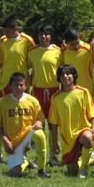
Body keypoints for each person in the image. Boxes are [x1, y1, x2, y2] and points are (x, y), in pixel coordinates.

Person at [0, 15, 35, 163]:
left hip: (21, 85)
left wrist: (31, 79)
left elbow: (34, 61)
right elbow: (0, 61)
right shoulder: (3, 41)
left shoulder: (27, 41)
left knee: (22, 119)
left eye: (7, 31)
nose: (5, 34)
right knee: (0, 118)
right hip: (5, 85)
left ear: (15, 28)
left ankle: (23, 151)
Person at [0, 73, 50, 178]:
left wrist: (39, 123)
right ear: (10, 86)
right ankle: (25, 162)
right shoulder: (3, 102)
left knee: (40, 134)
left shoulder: (32, 100)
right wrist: (6, 141)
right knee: (15, 173)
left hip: (28, 135)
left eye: (21, 85)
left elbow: (40, 119)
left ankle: (41, 170)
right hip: (13, 142)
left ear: (25, 86)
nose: (19, 88)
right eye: (15, 85)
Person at [48, 65, 94, 178]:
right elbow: (54, 123)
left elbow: (93, 114)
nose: (65, 77)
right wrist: (55, 143)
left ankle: (84, 168)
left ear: (74, 76)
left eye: (68, 74)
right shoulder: (56, 98)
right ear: (59, 78)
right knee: (72, 171)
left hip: (83, 130)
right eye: (62, 75)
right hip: (67, 138)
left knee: (87, 138)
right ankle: (89, 159)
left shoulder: (83, 92)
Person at [27, 25, 62, 165]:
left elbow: (63, 72)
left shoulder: (59, 52)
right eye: (41, 34)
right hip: (37, 92)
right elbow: (28, 71)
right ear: (38, 36)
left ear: (51, 36)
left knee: (53, 126)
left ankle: (53, 155)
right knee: (38, 125)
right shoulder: (32, 52)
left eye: (46, 34)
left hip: (54, 92)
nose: (44, 37)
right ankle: (39, 156)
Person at [61, 28, 94, 98]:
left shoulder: (88, 49)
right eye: (72, 44)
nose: (76, 46)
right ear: (66, 43)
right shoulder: (63, 52)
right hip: (69, 89)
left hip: (87, 89)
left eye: (77, 43)